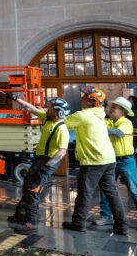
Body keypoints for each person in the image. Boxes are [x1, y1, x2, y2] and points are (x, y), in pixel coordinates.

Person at [62, 86, 128, 235]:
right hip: (109, 160)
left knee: (85, 193)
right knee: (112, 192)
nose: (81, 98)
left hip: (93, 161)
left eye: (84, 96)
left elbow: (61, 121)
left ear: (91, 101)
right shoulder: (100, 115)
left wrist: (43, 111)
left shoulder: (83, 115)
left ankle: (78, 223)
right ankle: (122, 226)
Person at [7, 94, 70, 235]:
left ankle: (30, 223)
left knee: (33, 190)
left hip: (47, 161)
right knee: (27, 187)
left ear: (58, 111)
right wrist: (16, 99)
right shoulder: (48, 119)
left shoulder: (61, 129)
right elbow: (31, 109)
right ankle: (20, 217)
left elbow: (62, 151)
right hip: (40, 159)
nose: (46, 110)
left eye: (49, 108)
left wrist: (46, 167)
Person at [94, 96, 137, 233]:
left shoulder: (126, 123)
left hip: (125, 161)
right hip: (110, 160)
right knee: (107, 189)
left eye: (114, 108)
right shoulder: (108, 122)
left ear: (122, 112)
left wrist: (102, 129)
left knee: (134, 190)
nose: (111, 109)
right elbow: (97, 124)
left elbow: (118, 134)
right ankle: (106, 216)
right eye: (112, 107)